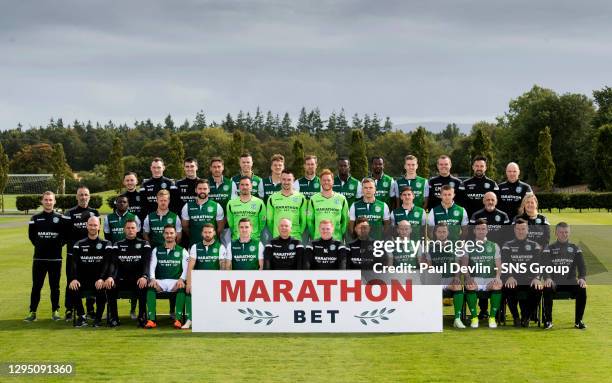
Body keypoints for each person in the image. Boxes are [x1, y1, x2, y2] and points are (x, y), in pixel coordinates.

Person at [24, 191, 69, 322]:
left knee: (55, 286)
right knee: (36, 286)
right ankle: (32, 312)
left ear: (54, 201)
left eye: (50, 200)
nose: (48, 202)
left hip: (55, 259)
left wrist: (56, 246)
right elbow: (32, 237)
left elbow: (65, 237)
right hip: (39, 259)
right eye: (46, 200)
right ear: (42, 201)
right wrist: (41, 245)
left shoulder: (61, 218)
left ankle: (55, 311)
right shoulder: (35, 218)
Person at [468, 191, 510, 320]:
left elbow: (508, 235)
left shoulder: (503, 215)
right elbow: (471, 234)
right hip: (479, 254)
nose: (490, 202)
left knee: (497, 280)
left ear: (496, 201)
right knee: (481, 275)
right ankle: (483, 310)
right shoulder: (476, 215)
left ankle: (498, 311)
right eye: (487, 200)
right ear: (483, 201)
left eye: (492, 200)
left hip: (498, 253)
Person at [104, 219, 151, 327]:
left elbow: (146, 263)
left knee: (143, 285)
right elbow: (113, 264)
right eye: (128, 228)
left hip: (138, 279)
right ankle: (114, 318)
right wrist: (110, 277)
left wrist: (145, 276)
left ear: (137, 229)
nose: (130, 230)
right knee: (110, 286)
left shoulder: (144, 244)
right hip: (122, 280)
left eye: (133, 228)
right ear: (124, 230)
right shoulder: (117, 244)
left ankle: (141, 317)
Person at [69, 216, 113, 327]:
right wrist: (74, 279)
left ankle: (98, 319)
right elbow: (74, 263)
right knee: (73, 288)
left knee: (101, 290)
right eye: (91, 225)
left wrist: (102, 278)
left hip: (98, 279)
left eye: (95, 225)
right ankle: (82, 316)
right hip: (83, 280)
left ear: (99, 227)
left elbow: (107, 263)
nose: (93, 227)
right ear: (87, 226)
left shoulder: (106, 244)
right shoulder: (78, 244)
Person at [542, 222, 587, 330]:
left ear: (569, 233)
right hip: (554, 282)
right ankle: (548, 321)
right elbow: (544, 265)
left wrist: (582, 278)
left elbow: (582, 266)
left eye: (566, 232)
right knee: (547, 288)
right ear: (556, 233)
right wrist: (547, 278)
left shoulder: (575, 248)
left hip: (570, 281)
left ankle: (578, 321)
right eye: (561, 232)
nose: (564, 234)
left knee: (582, 289)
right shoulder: (549, 248)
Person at [184, 224, 230, 329]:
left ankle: (217, 319)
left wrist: (221, 283)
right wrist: (189, 283)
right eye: (205, 232)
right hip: (199, 280)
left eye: (210, 232)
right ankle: (190, 319)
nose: (207, 234)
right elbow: (190, 266)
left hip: (215, 281)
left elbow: (222, 266)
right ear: (202, 233)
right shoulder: (195, 247)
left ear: (214, 233)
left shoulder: (220, 247)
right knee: (188, 291)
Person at [64, 186, 100, 321]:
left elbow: (97, 233)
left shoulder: (94, 212)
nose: (83, 197)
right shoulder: (69, 213)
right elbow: (65, 234)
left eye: (86, 194)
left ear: (89, 196)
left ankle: (90, 309)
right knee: (71, 280)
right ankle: (69, 308)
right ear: (76, 196)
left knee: (92, 280)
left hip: (91, 256)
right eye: (81, 195)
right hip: (73, 255)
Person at [144, 225, 189, 329]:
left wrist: (182, 279)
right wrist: (153, 278)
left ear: (175, 235)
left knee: (182, 287)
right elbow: (152, 265)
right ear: (163, 235)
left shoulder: (182, 251)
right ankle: (151, 319)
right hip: (160, 281)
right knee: (150, 287)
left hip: (175, 281)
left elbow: (186, 268)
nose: (169, 235)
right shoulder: (156, 250)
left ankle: (178, 319)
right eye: (167, 233)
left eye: (171, 233)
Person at [501, 219, 543, 327]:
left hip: (530, 279)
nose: (521, 231)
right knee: (508, 287)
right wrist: (509, 276)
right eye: (518, 229)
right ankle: (516, 317)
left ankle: (526, 317)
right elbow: (505, 263)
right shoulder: (507, 245)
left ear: (528, 230)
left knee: (538, 289)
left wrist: (537, 277)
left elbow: (539, 264)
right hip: (513, 278)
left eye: (523, 229)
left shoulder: (535, 245)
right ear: (514, 230)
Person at [424, 223, 466, 329]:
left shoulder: (455, 246)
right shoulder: (430, 247)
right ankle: (432, 318)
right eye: (439, 232)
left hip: (450, 279)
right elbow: (429, 267)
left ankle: (457, 319)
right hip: (436, 280)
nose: (442, 234)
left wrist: (456, 277)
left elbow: (457, 264)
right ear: (435, 233)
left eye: (444, 232)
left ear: (448, 233)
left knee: (458, 286)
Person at [464, 219, 503, 329]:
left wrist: (497, 278)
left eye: (483, 229)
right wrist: (467, 278)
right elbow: (464, 265)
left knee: (497, 285)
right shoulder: (467, 246)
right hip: (475, 278)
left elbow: (499, 266)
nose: (481, 231)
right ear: (474, 231)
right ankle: (474, 318)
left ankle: (492, 318)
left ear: (487, 231)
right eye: (478, 229)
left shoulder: (494, 245)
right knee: (469, 286)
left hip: (490, 278)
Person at [308, 169, 349, 242]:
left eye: (329, 180)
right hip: (318, 239)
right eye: (324, 180)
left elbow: (345, 220)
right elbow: (310, 221)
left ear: (333, 181)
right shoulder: (313, 199)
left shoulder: (341, 199)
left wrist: (339, 234)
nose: (326, 182)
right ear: (320, 181)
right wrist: (315, 234)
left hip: (336, 239)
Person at [180, 179, 224, 246]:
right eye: (200, 189)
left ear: (209, 190)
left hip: (212, 245)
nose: (202, 191)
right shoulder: (187, 206)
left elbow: (220, 228)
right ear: (196, 190)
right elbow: (185, 226)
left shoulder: (216, 206)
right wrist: (194, 235)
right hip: (194, 244)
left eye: (205, 189)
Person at [266, 169, 307, 240]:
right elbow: (269, 220)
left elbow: (303, 220)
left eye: (289, 180)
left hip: (295, 238)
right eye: (284, 179)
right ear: (280, 180)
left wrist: (298, 233)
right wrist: (276, 232)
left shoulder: (301, 198)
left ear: (293, 180)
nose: (286, 182)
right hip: (277, 237)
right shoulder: (272, 198)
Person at [226, 176, 266, 241]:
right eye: (242, 185)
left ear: (251, 186)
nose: (244, 187)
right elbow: (231, 224)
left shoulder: (259, 203)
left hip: (254, 240)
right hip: (236, 240)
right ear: (239, 186)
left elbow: (262, 223)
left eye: (247, 185)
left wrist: (254, 234)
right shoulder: (231, 203)